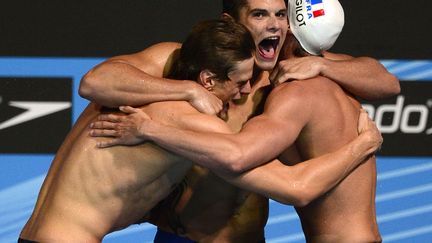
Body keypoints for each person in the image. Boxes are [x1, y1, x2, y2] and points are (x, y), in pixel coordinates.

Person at [80, 0, 399, 242]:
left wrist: (325, 67)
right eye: (259, 15)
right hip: (183, 238)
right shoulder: (192, 61)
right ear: (230, 23)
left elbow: (386, 82)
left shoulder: (294, 68)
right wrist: (188, 90)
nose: (274, 25)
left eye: (280, 14)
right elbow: (95, 82)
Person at [18, 19, 259, 243]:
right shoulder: (187, 116)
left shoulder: (136, 94)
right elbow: (252, 166)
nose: (247, 90)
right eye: (240, 83)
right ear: (207, 80)